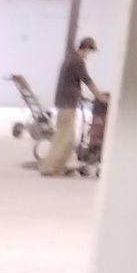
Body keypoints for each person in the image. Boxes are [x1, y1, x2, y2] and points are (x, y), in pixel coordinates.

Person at [40, 36, 100, 177]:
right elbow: (87, 80)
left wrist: (80, 96)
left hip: (65, 102)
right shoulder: (77, 61)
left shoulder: (70, 59)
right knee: (63, 138)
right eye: (89, 51)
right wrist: (100, 96)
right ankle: (49, 168)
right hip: (67, 104)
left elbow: (71, 82)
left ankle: (59, 167)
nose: (88, 55)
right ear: (85, 48)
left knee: (69, 139)